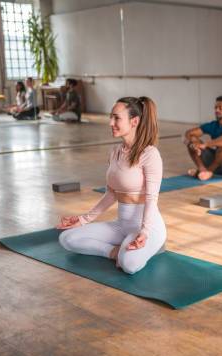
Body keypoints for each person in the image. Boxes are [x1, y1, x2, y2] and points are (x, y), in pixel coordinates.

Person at [57, 96, 165, 274]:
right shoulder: (115, 152)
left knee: (129, 265)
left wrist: (144, 232)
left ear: (134, 121)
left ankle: (153, 245)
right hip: (121, 225)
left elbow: (152, 198)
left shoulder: (150, 154)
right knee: (67, 238)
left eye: (116, 118)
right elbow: (111, 193)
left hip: (147, 226)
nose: (110, 122)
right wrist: (84, 219)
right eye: (111, 117)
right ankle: (115, 252)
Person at [183, 96, 222, 181]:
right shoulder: (213, 125)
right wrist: (194, 144)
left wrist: (205, 144)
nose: (217, 110)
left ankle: (208, 171)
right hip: (217, 161)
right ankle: (202, 170)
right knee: (191, 142)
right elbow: (189, 133)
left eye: (220, 108)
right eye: (215, 108)